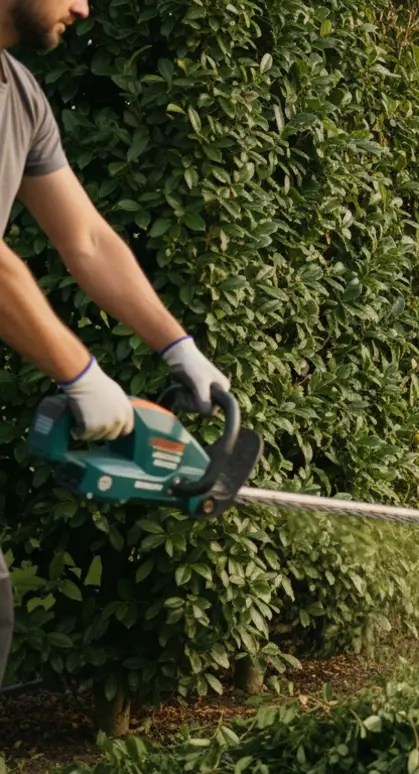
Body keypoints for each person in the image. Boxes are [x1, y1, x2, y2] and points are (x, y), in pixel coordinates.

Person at [0, 0, 230, 686]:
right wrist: (82, 374)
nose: (83, 7)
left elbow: (88, 239)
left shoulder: (21, 94)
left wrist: (180, 348)